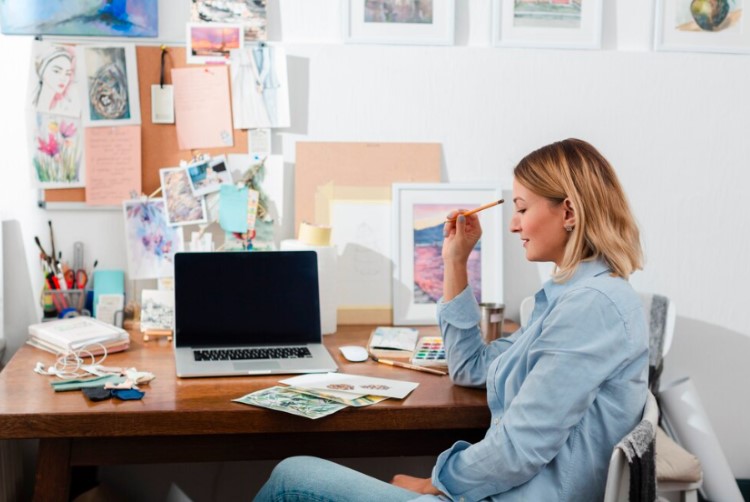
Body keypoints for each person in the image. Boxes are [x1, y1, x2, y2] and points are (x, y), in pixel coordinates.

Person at [254, 138, 649, 501]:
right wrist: (455, 261)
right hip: (505, 491)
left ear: (568, 212)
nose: (513, 224)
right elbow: (470, 368)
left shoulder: (591, 306)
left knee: (293, 477)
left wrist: (437, 483)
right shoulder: (566, 300)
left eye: (523, 208)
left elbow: (520, 449)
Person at [32, 44, 77, 116]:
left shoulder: (63, 109)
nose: (63, 78)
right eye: (56, 71)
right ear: (42, 70)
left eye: (67, 74)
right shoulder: (33, 108)